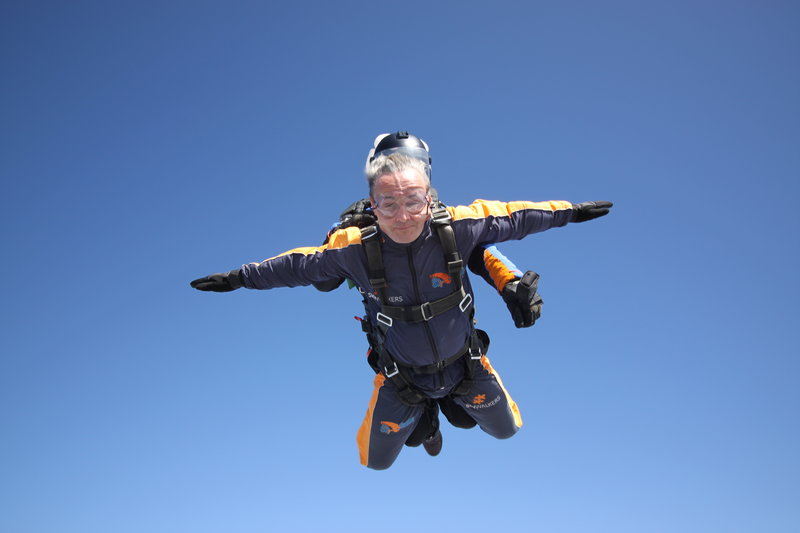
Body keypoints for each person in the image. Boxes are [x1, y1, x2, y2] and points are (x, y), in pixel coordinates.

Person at [190, 141, 612, 470]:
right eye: (388, 204)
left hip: (464, 366)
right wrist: (239, 277)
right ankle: (426, 421)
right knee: (376, 462)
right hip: (402, 377)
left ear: (429, 197)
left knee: (506, 430)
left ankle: (449, 410)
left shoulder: (456, 228)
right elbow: (298, 265)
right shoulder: (354, 246)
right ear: (372, 207)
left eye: (413, 201)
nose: (403, 216)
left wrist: (571, 213)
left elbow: (516, 217)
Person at [311, 132, 544, 457]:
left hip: (457, 357)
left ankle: (443, 407)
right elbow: (324, 278)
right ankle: (429, 421)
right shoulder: (362, 228)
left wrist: (511, 283)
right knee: (415, 434)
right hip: (403, 363)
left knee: (468, 419)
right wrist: (343, 230)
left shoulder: (441, 220)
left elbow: (480, 251)